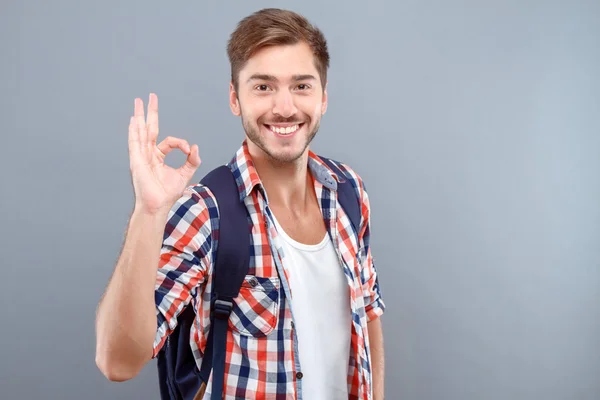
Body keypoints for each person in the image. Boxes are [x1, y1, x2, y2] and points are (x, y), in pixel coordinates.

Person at [95, 8, 385, 400]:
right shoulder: (205, 214)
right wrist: (148, 213)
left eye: (301, 86)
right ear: (235, 98)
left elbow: (367, 313)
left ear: (324, 96)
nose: (284, 107)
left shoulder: (348, 192)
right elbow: (117, 362)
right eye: (263, 87)